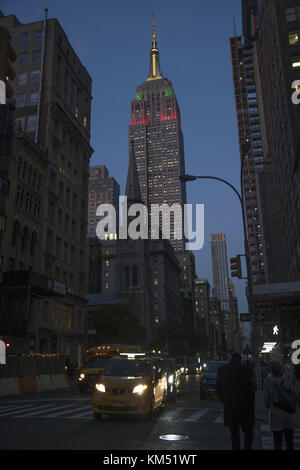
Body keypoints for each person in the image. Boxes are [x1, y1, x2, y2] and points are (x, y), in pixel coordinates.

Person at [216, 352, 255, 450]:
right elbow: (251, 389)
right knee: (248, 432)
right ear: (240, 359)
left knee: (234, 434)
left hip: (231, 407)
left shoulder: (222, 370)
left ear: (230, 359)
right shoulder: (247, 370)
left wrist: (225, 401)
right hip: (245, 407)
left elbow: (218, 390)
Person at [263, 361, 296, 450]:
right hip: (288, 411)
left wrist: (270, 406)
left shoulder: (267, 382)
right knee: (289, 440)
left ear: (271, 371)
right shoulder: (288, 379)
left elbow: (266, 399)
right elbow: (294, 393)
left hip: (275, 411)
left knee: (277, 439)